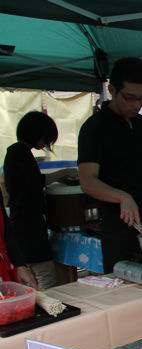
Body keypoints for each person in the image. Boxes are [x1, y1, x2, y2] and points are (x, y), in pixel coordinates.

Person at [78, 57, 142, 273]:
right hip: (118, 225)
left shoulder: (140, 123)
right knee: (127, 285)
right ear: (111, 89)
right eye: (129, 98)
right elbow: (87, 181)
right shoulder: (94, 128)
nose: (136, 105)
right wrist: (123, 197)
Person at [3, 112, 76, 289]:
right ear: (38, 134)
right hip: (29, 226)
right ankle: (49, 307)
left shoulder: (16, 152)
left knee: (34, 276)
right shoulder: (19, 152)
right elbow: (35, 183)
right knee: (45, 276)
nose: (46, 143)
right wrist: (64, 173)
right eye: (46, 138)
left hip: (24, 224)